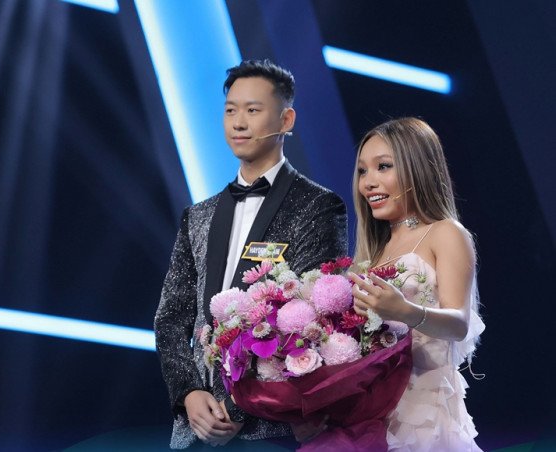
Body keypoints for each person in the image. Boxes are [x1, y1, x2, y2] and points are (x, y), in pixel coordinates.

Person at [154, 59, 347, 449]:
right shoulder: (198, 215)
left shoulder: (318, 206)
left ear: (286, 119)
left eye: (253, 110)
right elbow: (170, 318)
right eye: (231, 111)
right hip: (197, 427)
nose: (238, 123)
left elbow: (312, 317)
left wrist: (238, 408)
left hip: (272, 429)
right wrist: (188, 392)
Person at [348, 117, 484, 451]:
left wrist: (405, 311)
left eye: (383, 166)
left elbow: (459, 324)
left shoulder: (444, 232)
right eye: (363, 171)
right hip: (374, 413)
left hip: (425, 415)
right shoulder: (373, 250)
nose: (368, 182)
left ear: (417, 168)